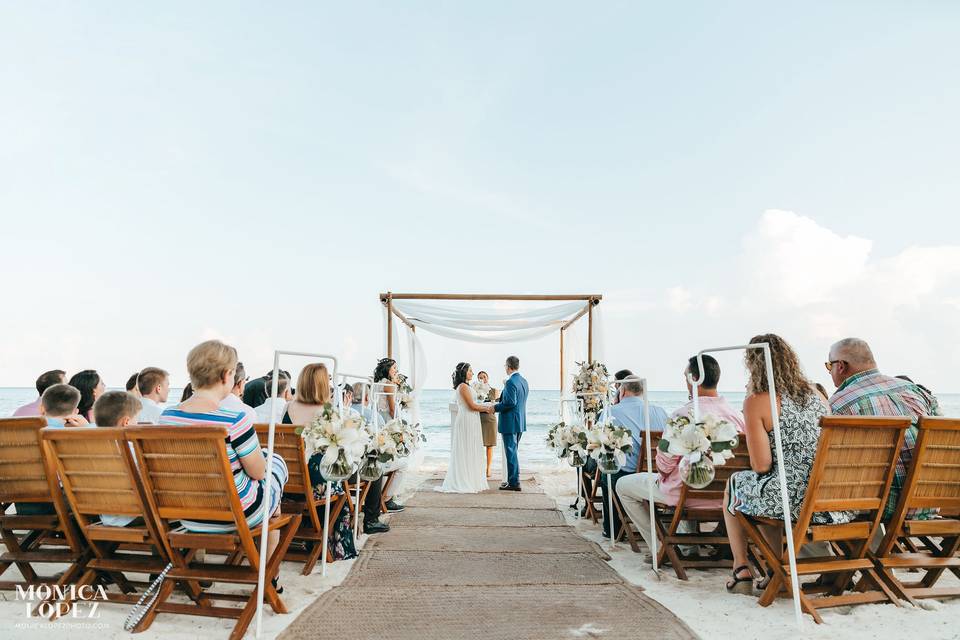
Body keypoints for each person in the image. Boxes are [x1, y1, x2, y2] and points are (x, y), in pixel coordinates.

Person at [723, 334, 849, 593]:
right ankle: (773, 568)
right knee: (765, 489)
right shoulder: (818, 395)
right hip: (827, 496)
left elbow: (761, 465)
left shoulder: (758, 401)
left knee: (735, 485)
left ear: (753, 365)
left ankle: (741, 569)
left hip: (791, 498)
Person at [160, 340, 289, 589]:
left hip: (185, 514)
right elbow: (258, 471)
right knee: (274, 465)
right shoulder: (234, 419)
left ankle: (195, 570)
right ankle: (269, 576)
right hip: (236, 514)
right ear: (227, 375)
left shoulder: (168, 417)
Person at [617, 355, 745, 559]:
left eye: (685, 376)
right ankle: (689, 548)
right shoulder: (737, 417)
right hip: (727, 499)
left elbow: (664, 466)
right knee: (690, 479)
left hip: (684, 496)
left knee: (623, 486)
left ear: (693, 378)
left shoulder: (682, 416)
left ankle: (661, 548)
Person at [827, 338, 941, 520]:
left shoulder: (838, 405)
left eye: (828, 366)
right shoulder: (916, 391)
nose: (829, 371)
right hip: (930, 502)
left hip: (880, 508)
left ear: (840, 366)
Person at [284, 363, 390, 534]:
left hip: (289, 480)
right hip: (319, 481)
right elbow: (343, 448)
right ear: (322, 384)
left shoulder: (286, 408)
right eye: (329, 380)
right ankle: (371, 521)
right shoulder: (327, 411)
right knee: (372, 467)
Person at [596, 373, 669, 538]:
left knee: (607, 475)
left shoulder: (610, 412)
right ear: (642, 392)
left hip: (627, 475)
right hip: (657, 473)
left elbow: (600, 444)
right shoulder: (660, 412)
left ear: (622, 391)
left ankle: (612, 529)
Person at [16, 384, 87, 515]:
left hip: (22, 504)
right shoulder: (70, 437)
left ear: (42, 409)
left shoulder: (19, 435)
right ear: (75, 412)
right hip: (58, 505)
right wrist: (88, 429)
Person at [438, 363, 492, 494]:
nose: (472, 374)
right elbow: (472, 406)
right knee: (466, 448)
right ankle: (463, 480)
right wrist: (488, 408)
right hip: (466, 419)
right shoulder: (462, 387)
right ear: (464, 373)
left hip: (472, 419)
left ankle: (471, 478)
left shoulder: (467, 386)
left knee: (471, 447)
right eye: (470, 371)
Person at [93, 391, 144, 527]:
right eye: (137, 421)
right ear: (126, 422)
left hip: (104, 515)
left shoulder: (88, 451)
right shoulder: (132, 451)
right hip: (136, 516)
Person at [493, 355, 528, 492]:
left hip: (509, 422)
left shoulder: (510, 382)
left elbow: (510, 402)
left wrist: (494, 407)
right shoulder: (524, 381)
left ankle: (514, 482)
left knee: (511, 452)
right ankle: (514, 480)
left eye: (505, 366)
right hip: (519, 421)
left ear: (508, 366)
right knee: (513, 452)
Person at [475, 371, 499, 478]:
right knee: (477, 445)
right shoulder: (474, 391)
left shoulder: (494, 391)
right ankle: (477, 467)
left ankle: (488, 469)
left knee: (489, 446)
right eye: (480, 377)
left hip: (490, 419)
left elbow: (497, 405)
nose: (482, 379)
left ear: (487, 378)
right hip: (478, 418)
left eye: (484, 377)